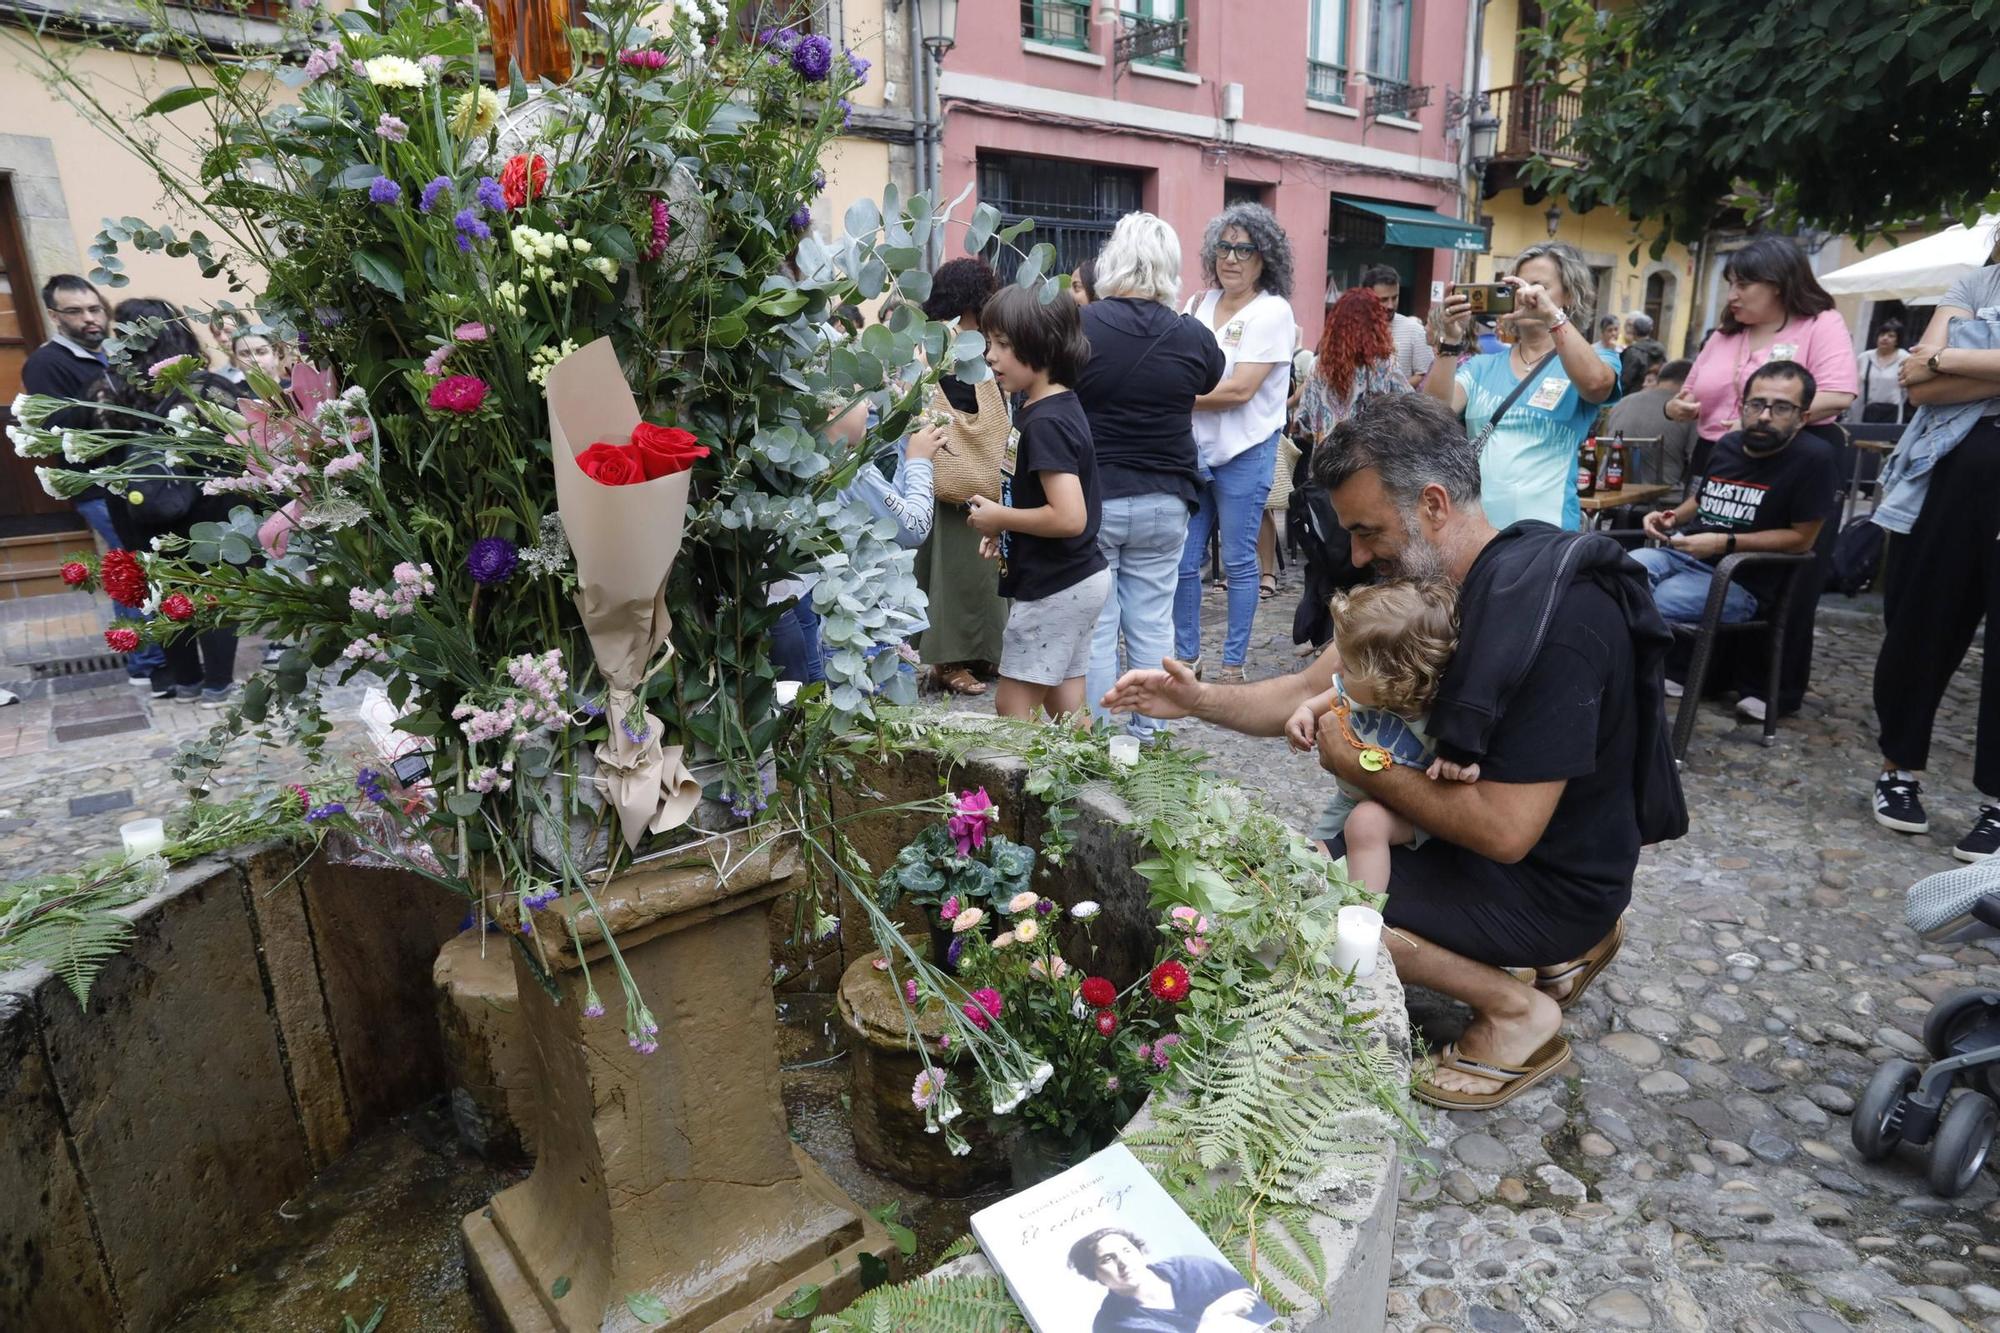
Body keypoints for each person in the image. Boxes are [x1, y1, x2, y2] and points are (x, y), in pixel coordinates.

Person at [1105, 392, 1681, 1109]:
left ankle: (1517, 1009)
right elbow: (1311, 690)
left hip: (1552, 883)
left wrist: (1361, 764)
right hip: (1508, 856)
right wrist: (1195, 700)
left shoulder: (1555, 619)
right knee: (1307, 861)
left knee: (1299, 899)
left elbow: (1504, 831)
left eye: (1367, 529)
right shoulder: (1426, 592)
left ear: (1434, 504)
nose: (1355, 554)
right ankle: (1554, 958)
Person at [1072, 212, 1224, 739]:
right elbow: (1212, 375)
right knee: (1153, 623)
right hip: (1166, 495)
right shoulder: (1191, 335)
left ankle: (1092, 741)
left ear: (1113, 261)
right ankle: (1149, 743)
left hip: (1095, 497)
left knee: (1096, 628)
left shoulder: (1082, 327)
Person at [1868, 256, 2000, 862]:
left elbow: (1932, 365)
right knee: (1919, 626)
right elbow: (1918, 385)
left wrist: (1950, 355)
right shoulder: (1976, 282)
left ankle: (1998, 806)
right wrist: (1943, 366)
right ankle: (1898, 771)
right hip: (1945, 478)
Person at [1636, 363, 1839, 701]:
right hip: (1682, 553)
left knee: (1654, 599)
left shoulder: (1814, 459)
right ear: (1742, 406)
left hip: (1741, 582)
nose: (1764, 416)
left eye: (1782, 407)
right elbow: (1702, 500)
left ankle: (1633, 683)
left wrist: (1724, 543)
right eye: (1756, 404)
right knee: (1618, 575)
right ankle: (1619, 680)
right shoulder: (1728, 444)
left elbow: (1803, 539)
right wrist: (1670, 516)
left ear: (1802, 417)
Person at [966, 285, 1109, 721]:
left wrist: (999, 516)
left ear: (1043, 345)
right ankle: (1091, 786)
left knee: (1012, 709)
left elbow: (1068, 516)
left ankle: (1019, 790)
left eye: (1004, 345)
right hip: (1075, 579)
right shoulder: (1045, 407)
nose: (990, 355)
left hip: (1055, 587)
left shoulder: (1046, 421)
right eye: (990, 342)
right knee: (1066, 709)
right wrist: (1006, 528)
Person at [1281, 580, 1477, 894]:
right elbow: (1333, 695)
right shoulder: (1365, 690)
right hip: (1349, 800)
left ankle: (1361, 915)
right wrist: (1304, 711)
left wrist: (1464, 764)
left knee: (1365, 823)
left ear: (1392, 680)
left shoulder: (1436, 718)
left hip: (1411, 816)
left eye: (1348, 665)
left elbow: (1468, 758)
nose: (1335, 667)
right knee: (1304, 859)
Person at [97, 299, 244, 707]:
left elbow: (94, 456)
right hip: (205, 507)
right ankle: (217, 684)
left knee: (164, 592)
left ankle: (186, 683)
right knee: (213, 591)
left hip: (140, 510)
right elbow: (241, 441)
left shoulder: (105, 391)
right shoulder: (202, 386)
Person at [21, 275, 167, 685]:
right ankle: (146, 662)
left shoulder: (109, 353)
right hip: (96, 486)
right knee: (132, 568)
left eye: (94, 308)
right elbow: (56, 427)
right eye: (75, 311)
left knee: (140, 565)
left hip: (129, 479)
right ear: (54, 316)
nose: (89, 318)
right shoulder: (46, 364)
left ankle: (154, 656)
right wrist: (102, 403)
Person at [1422, 242, 1621, 530]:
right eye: (1520, 287)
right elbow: (1431, 416)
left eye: (1539, 288)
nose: (1527, 296)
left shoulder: (1595, 359)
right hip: (1479, 538)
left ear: (1567, 296)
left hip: (1547, 540)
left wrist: (1552, 316)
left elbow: (1596, 385)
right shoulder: (1481, 367)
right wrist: (1450, 341)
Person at [1178, 203, 1296, 683]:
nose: (1232, 258)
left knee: (1240, 558)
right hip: (1194, 451)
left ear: (1263, 257)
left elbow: (1240, 391)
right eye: (1224, 247)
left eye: (1244, 249)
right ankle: (1187, 656)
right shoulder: (1195, 305)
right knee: (1185, 560)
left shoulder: (1272, 310)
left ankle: (1233, 662)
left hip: (1246, 451)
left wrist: (1175, 398)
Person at [1667, 235, 1856, 475]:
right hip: (1715, 456)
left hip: (1787, 458)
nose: (1731, 295)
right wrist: (1674, 408)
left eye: (1743, 286)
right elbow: (1689, 393)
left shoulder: (1821, 324)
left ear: (1777, 285)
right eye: (1731, 284)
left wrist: (1753, 422)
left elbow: (1837, 396)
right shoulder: (1724, 334)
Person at [912, 257, 1011, 696]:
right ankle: (948, 661)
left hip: (970, 482)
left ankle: (982, 650)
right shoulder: (946, 344)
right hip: (951, 480)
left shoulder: (968, 341)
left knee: (982, 576)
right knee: (953, 576)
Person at [1067, 1228, 1276, 1333]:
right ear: (1094, 1274)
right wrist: (1209, 1322)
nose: (1123, 1262)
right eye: (1107, 1259)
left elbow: (1265, 1315)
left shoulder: (1192, 1268)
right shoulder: (1110, 1326)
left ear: (1140, 1252)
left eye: (1126, 1250)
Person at [1602, 358, 1700, 496]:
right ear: (1690, 383)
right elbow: (1695, 461)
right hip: (1664, 498)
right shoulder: (1686, 411)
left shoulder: (1621, 404)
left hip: (1611, 492)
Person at [1359, 262, 1435, 385]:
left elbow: (1425, 375)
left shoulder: (1414, 330)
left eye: (1395, 298)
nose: (1390, 305)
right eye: (1383, 300)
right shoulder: (1354, 330)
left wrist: (1393, 391)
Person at [1852, 319, 1910, 424]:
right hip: (1863, 410)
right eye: (1882, 334)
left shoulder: (1905, 358)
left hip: (1891, 412)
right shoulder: (1864, 357)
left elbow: (1906, 391)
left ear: (1897, 340)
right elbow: (1855, 384)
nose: (1885, 338)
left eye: (1891, 336)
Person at [1619, 312, 1667, 394]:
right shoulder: (1660, 348)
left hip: (1634, 396)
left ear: (1634, 331)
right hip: (1653, 393)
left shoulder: (1633, 351)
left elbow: (1626, 379)